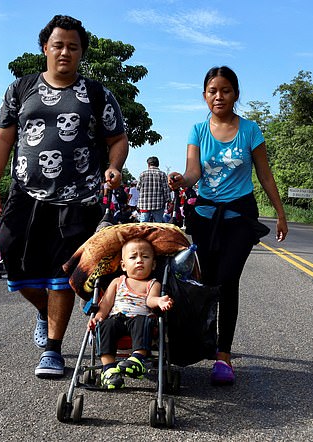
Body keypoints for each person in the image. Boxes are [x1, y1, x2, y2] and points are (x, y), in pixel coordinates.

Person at [0, 15, 129, 379]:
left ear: (81, 53)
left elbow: (118, 139)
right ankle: (44, 310)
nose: (65, 51)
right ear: (45, 48)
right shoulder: (21, 88)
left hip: (79, 198)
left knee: (62, 273)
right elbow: (3, 138)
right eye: (58, 44)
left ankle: (53, 349)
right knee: (10, 251)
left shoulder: (96, 94)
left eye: (73, 46)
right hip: (25, 194)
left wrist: (113, 166)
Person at [168, 66, 288, 386]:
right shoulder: (198, 130)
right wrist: (182, 181)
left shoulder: (250, 130)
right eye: (212, 91)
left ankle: (224, 355)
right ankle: (205, 342)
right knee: (207, 282)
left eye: (225, 90)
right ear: (205, 95)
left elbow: (264, 175)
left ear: (235, 94)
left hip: (239, 218)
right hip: (205, 217)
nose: (218, 96)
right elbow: (193, 172)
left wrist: (280, 212)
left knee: (227, 280)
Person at [88, 238, 173, 389]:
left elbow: (150, 300)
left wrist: (160, 301)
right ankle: (109, 370)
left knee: (142, 321)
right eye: (133, 257)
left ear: (153, 264)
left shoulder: (152, 283)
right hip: (117, 320)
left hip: (139, 322)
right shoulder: (117, 282)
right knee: (105, 325)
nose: (139, 261)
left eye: (145, 257)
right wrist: (97, 318)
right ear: (123, 265)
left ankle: (137, 359)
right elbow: (106, 304)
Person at [137, 156, 170, 223]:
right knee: (158, 224)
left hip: (144, 204)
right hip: (158, 204)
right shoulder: (162, 174)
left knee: (143, 224)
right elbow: (166, 190)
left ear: (148, 164)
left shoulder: (142, 174)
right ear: (158, 164)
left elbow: (138, 187)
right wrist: (168, 200)